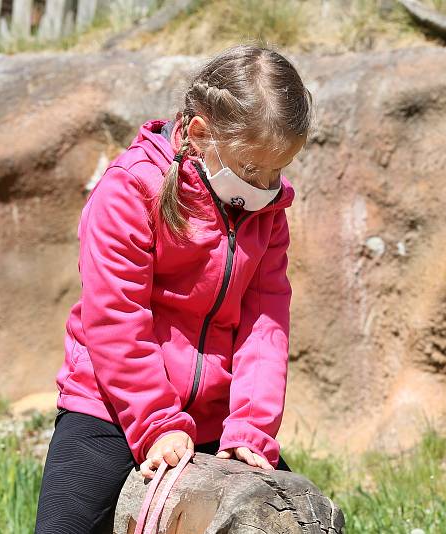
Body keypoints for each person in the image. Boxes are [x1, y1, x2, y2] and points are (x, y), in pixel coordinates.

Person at [34, 42, 315, 533]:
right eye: (253, 170)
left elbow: (264, 323)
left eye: (278, 170)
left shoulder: (267, 211)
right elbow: (115, 319)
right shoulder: (129, 189)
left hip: (215, 420)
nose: (268, 186)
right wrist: (158, 424)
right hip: (111, 409)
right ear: (202, 134)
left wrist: (251, 426)